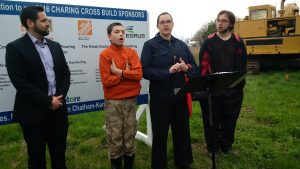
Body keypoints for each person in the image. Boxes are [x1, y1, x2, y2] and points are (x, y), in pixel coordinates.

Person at [5, 6, 70, 169]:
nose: (48, 23)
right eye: (43, 20)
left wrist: (58, 98)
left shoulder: (55, 46)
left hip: (58, 110)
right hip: (33, 113)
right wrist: (48, 101)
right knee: (36, 159)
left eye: (47, 20)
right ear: (30, 23)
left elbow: (65, 74)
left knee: (59, 157)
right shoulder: (15, 48)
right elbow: (20, 82)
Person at [141, 12, 199, 169]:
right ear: (158, 25)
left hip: (180, 95)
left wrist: (186, 67)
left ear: (173, 24)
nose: (166, 24)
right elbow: (144, 71)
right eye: (162, 22)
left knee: (182, 133)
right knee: (160, 136)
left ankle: (183, 163)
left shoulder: (181, 45)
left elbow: (196, 69)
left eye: (168, 21)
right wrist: (167, 72)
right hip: (160, 97)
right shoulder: (150, 45)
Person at [198, 10, 247, 155]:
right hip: (213, 91)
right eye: (218, 20)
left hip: (233, 91)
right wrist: (207, 87)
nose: (219, 23)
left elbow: (243, 66)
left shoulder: (238, 42)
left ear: (230, 23)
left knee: (230, 120)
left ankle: (227, 145)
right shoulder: (209, 42)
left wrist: (238, 86)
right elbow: (204, 66)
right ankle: (212, 148)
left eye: (223, 21)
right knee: (212, 121)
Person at [99, 22, 142, 169]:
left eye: (123, 32)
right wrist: (125, 76)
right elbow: (106, 81)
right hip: (113, 102)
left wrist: (118, 72)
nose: (121, 34)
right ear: (109, 36)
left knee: (130, 135)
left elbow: (138, 75)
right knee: (115, 137)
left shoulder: (132, 53)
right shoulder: (105, 54)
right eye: (117, 32)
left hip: (130, 100)